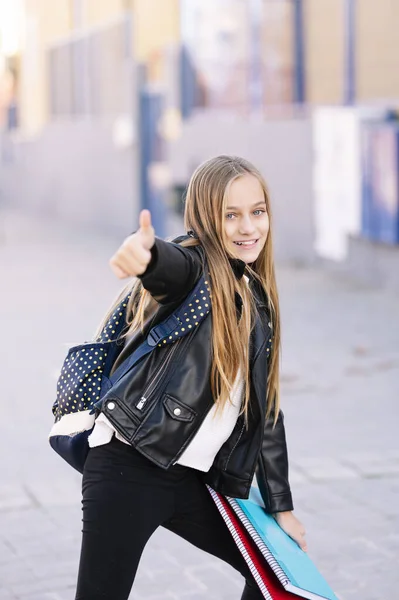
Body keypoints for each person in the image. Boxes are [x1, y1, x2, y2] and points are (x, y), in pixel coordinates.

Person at [75, 155, 307, 600]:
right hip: (129, 467)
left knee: (278, 574)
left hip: (190, 480)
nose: (248, 228)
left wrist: (281, 506)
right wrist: (145, 254)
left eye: (257, 212)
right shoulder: (196, 273)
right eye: (230, 215)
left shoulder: (257, 298)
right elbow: (168, 267)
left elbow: (267, 413)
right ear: (204, 220)